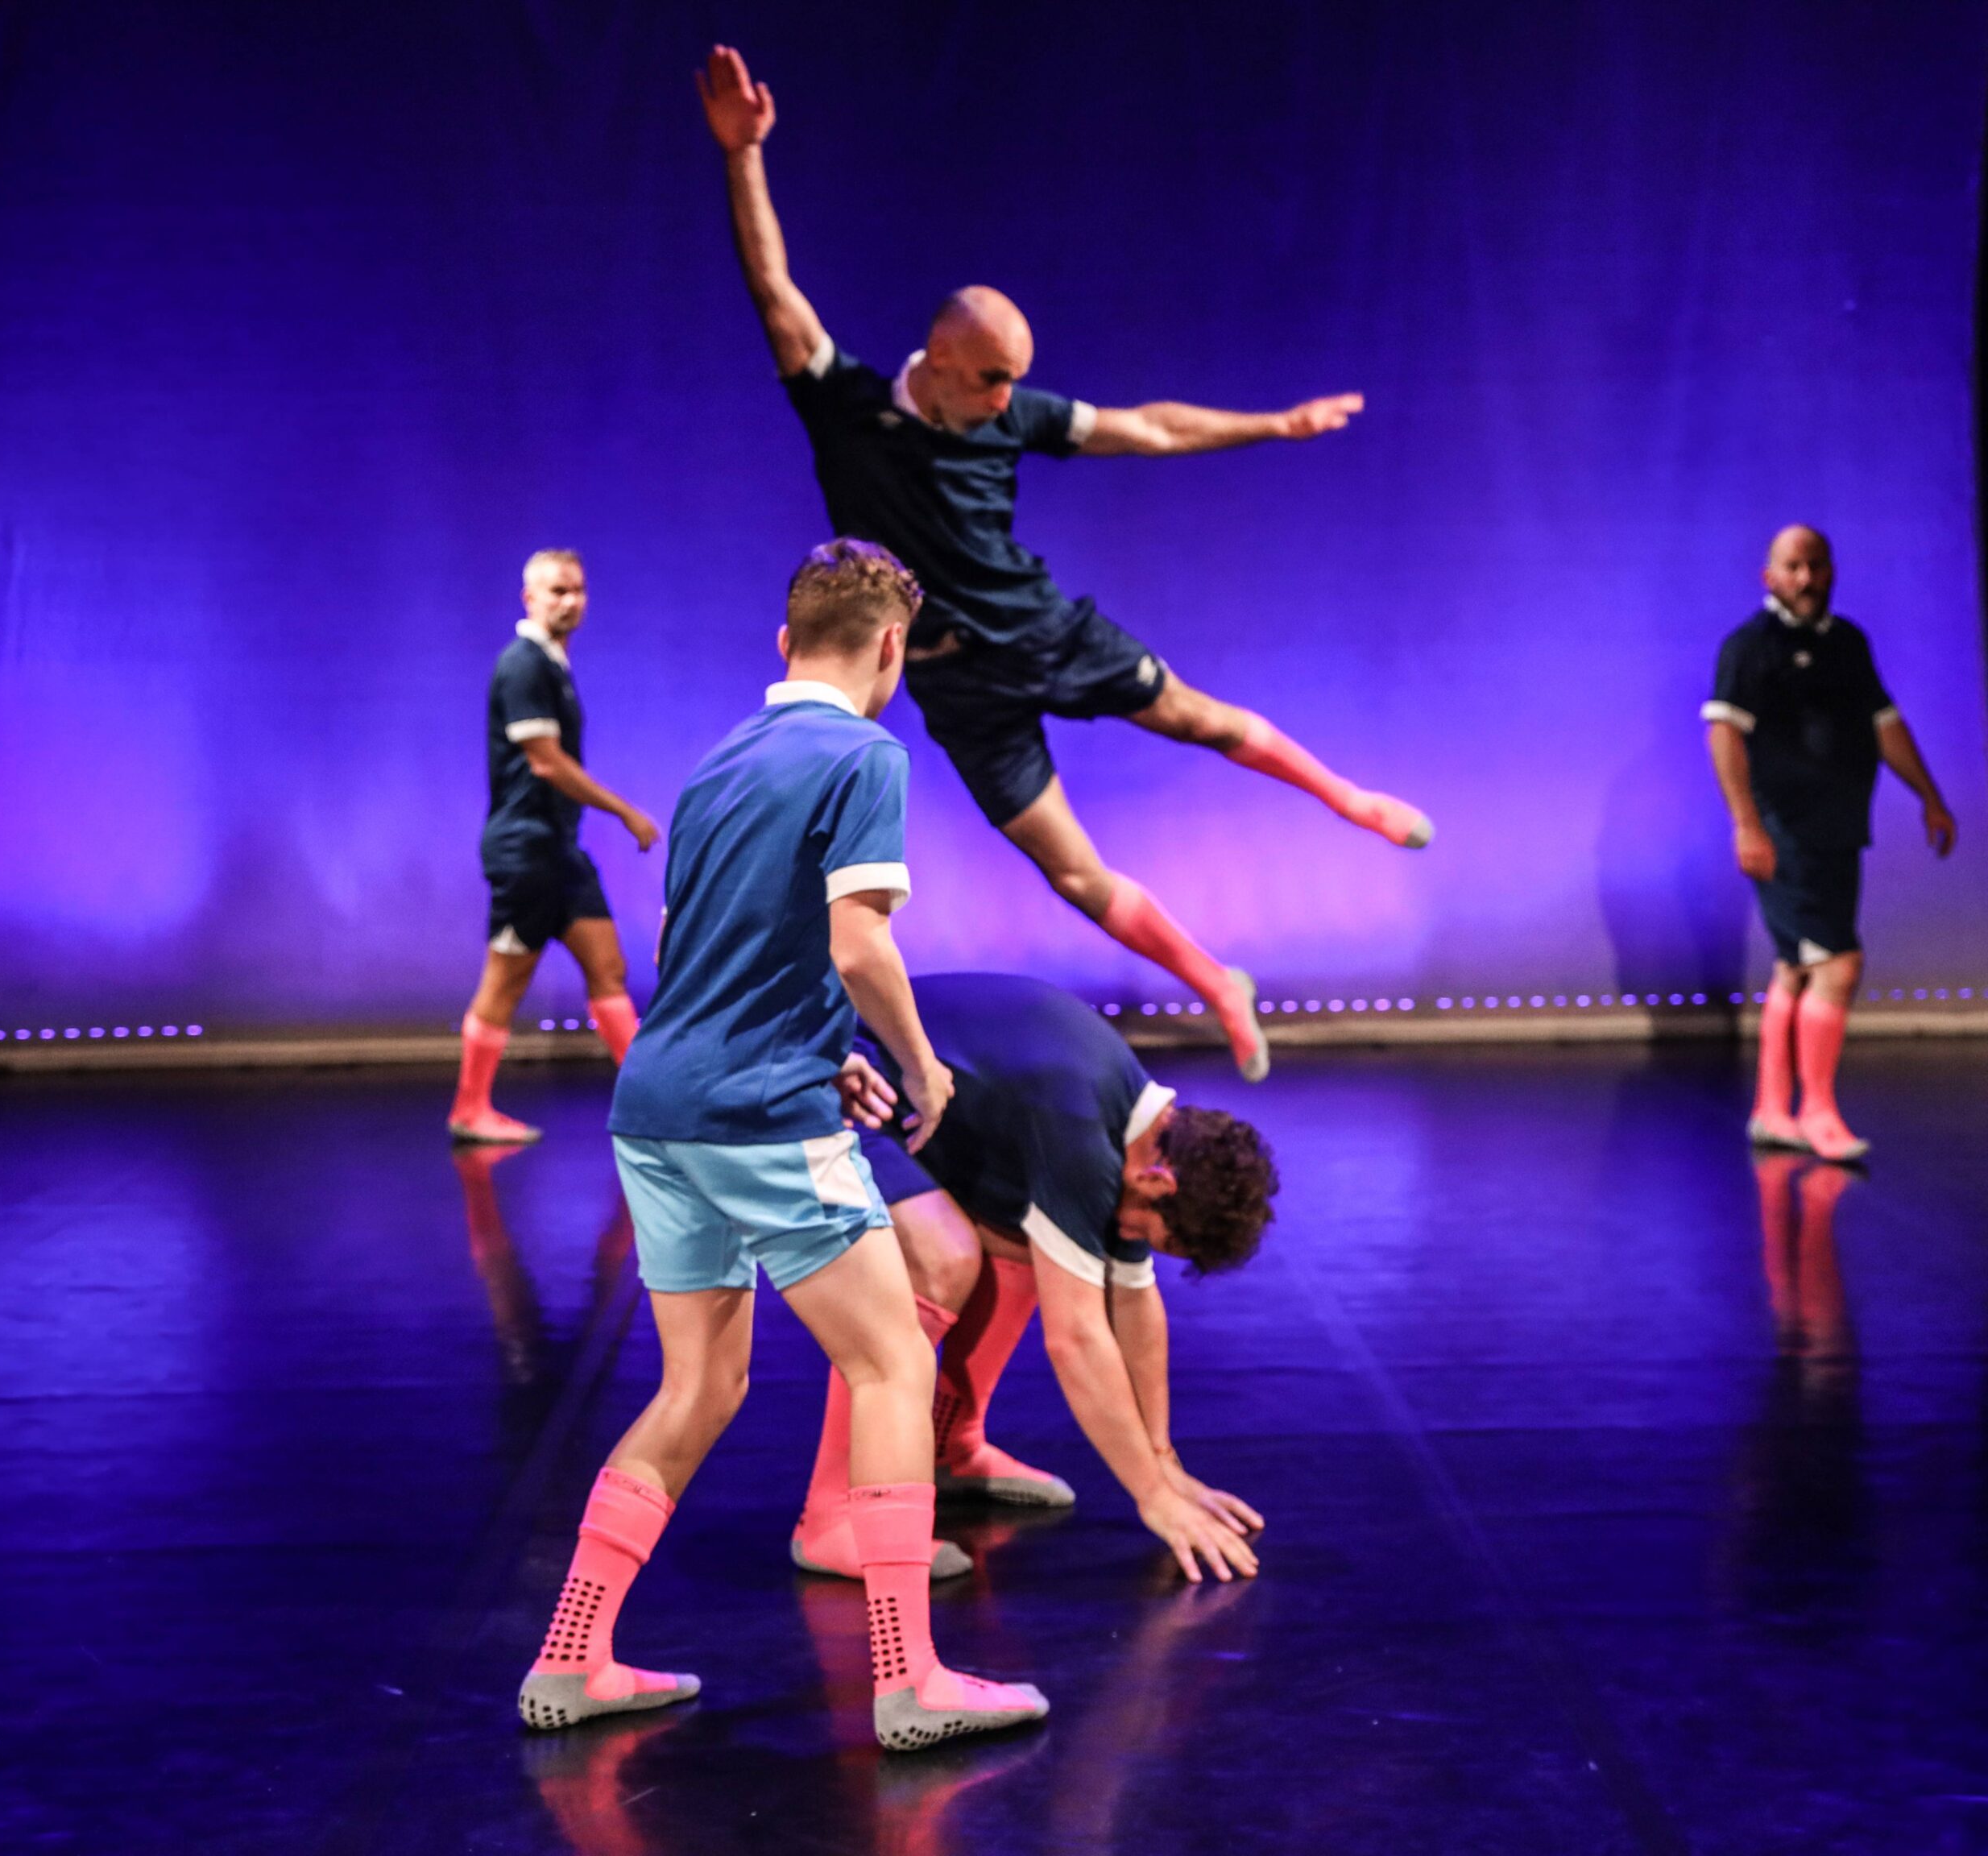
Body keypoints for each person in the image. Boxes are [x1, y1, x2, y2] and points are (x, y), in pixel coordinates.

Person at [695, 45, 1433, 1083]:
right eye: (993, 381)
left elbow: (1150, 431)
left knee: (1204, 721)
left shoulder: (1013, 411)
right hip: (958, 684)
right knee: (1076, 877)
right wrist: (743, 156)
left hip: (1042, 628)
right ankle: (1219, 981)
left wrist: (1275, 424)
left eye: (1015, 384)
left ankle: (1347, 797)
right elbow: (772, 287)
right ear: (940, 360)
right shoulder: (845, 402)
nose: (1008, 400)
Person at [518, 539, 1049, 1753]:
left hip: (658, 1111)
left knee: (699, 1385)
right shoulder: (865, 753)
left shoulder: (716, 766)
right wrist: (918, 1065)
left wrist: (823, 1049)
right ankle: (909, 1679)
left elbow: (713, 956)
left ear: (782, 645)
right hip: (759, 1119)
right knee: (893, 1366)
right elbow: (858, 944)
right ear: (890, 651)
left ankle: (571, 1657)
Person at [790, 972, 1277, 1589]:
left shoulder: (1141, 1133)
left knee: (1023, 1252)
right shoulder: (1080, 1122)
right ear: (1160, 1184)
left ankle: (950, 1450)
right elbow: (1075, 1339)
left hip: (905, 1103)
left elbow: (1133, 1299)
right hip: (825, 1080)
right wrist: (1150, 1496)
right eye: (1152, 1233)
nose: (1127, 1238)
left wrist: (1164, 1460)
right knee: (942, 1257)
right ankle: (834, 1515)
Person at [1704, 524, 1955, 1162]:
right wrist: (1746, 824)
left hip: (1838, 829)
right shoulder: (1750, 647)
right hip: (1784, 833)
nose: (1807, 578)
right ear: (1770, 577)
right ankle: (1817, 1112)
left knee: (1797, 966)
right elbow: (1725, 734)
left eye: (1816, 565)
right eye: (1794, 566)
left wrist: (1928, 794)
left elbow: (1883, 722)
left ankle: (1770, 1109)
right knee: (1838, 965)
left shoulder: (1848, 644)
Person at [449, 549, 661, 1145]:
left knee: (609, 969)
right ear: (530, 599)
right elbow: (545, 762)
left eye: (577, 590)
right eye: (556, 591)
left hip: (560, 852)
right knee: (506, 983)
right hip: (525, 852)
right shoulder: (523, 666)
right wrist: (624, 811)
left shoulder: (553, 666)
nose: (569, 601)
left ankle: (650, 1106)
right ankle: (470, 1109)